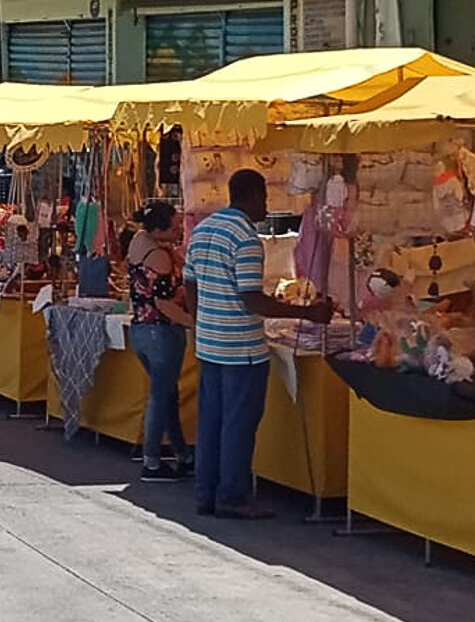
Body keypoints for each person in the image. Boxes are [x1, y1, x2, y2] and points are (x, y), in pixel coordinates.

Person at [184, 169, 333, 519]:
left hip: (210, 344)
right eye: (263, 197)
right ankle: (232, 495)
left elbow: (189, 282)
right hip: (241, 350)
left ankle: (206, 492)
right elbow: (252, 300)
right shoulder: (246, 239)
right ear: (251, 196)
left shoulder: (203, 230)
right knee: (238, 422)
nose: (266, 204)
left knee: (211, 421)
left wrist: (201, 318)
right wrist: (309, 313)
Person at [128, 201, 194, 483]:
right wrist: (195, 323)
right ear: (159, 228)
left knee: (167, 395)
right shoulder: (160, 257)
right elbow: (164, 303)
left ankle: (183, 454)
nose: (180, 229)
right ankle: (152, 461)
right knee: (160, 396)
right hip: (162, 332)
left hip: (140, 330)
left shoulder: (139, 242)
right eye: (176, 225)